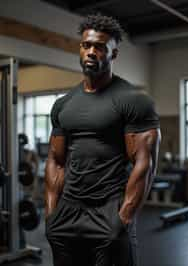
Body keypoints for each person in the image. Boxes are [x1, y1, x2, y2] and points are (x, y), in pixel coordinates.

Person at [45, 14, 161, 266]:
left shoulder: (133, 101)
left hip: (108, 210)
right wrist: (51, 215)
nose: (91, 52)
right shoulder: (63, 104)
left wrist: (123, 219)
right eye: (86, 45)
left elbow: (145, 164)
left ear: (113, 54)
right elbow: (56, 159)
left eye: (99, 47)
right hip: (67, 212)